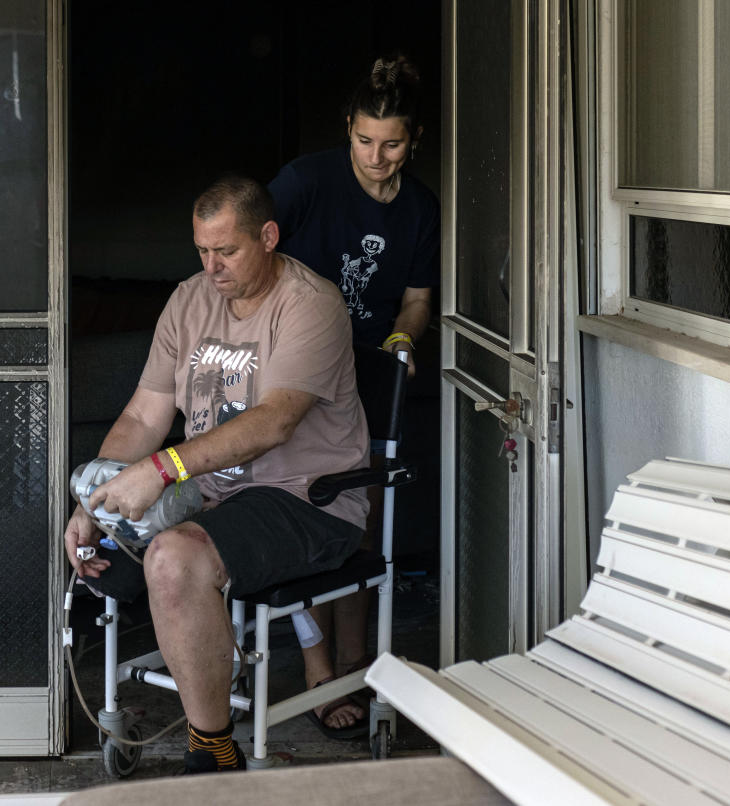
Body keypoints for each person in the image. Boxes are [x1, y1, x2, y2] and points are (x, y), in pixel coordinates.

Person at [64, 174, 369, 774]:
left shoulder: (312, 304)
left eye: (227, 251)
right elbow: (143, 412)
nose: (212, 267)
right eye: (202, 251)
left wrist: (163, 468)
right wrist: (93, 503)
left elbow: (274, 422)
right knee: (112, 536)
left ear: (268, 237)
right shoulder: (189, 299)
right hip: (214, 491)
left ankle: (212, 752)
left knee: (175, 557)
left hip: (307, 498)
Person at [268, 53, 441, 739]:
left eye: (391, 143)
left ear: (414, 140)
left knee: (359, 518)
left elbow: (418, 300)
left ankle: (354, 660)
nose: (376, 156)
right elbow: (251, 250)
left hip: (366, 372)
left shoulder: (421, 207)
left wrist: (402, 341)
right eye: (364, 141)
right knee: (291, 506)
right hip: (292, 369)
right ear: (347, 129)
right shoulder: (306, 180)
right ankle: (318, 664)